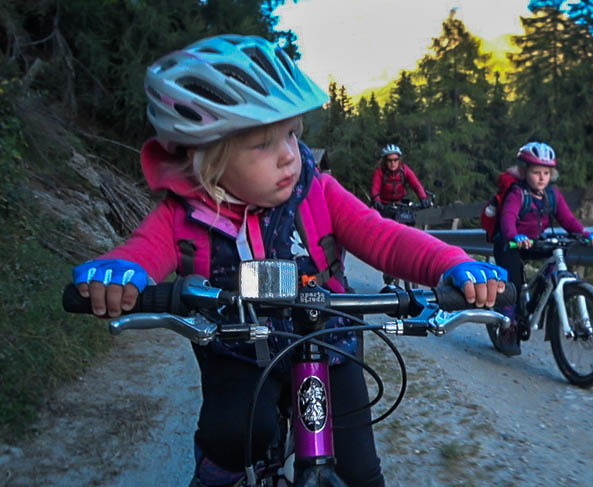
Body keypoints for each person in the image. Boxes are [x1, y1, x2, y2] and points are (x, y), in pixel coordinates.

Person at [70, 35, 507, 487]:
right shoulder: (184, 214)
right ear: (206, 160)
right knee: (233, 441)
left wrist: (450, 262)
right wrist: (120, 272)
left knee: (360, 470)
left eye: (293, 134)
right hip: (235, 348)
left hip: (331, 342)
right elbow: (143, 249)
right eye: (263, 144)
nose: (289, 155)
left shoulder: (318, 192)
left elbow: (386, 237)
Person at [493, 141, 593, 356]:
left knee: (558, 260)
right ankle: (508, 325)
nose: (542, 177)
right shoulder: (517, 193)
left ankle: (544, 299)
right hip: (511, 243)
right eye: (536, 172)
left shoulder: (552, 194)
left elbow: (567, 219)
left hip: (535, 241)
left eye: (546, 172)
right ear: (524, 172)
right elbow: (507, 219)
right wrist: (514, 236)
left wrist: (585, 234)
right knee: (513, 282)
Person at [370, 144, 432, 211]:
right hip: (383, 205)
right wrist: (377, 200)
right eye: (389, 160)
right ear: (385, 161)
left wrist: (423, 198)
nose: (393, 163)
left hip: (400, 204)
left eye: (395, 160)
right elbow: (375, 189)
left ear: (399, 160)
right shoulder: (379, 172)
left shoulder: (404, 170)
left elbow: (416, 185)